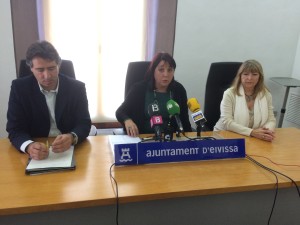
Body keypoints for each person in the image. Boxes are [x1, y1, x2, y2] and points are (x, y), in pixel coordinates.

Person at [6, 40, 91, 160]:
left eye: (51, 68)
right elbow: (14, 129)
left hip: (70, 149)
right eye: (40, 70)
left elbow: (84, 123)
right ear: (31, 68)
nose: (47, 76)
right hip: (37, 150)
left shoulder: (77, 88)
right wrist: (29, 146)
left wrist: (72, 137)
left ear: (59, 65)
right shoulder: (19, 89)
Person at [116, 52, 192, 137]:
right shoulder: (139, 89)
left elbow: (184, 121)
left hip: (171, 139)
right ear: (153, 71)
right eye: (161, 70)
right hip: (143, 137)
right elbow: (120, 112)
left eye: (170, 70)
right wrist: (127, 120)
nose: (166, 74)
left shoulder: (179, 90)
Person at [214, 59, 276, 141]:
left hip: (253, 137)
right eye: (246, 74)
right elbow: (227, 122)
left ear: (260, 77)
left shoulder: (266, 95)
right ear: (240, 76)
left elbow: (271, 119)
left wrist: (266, 132)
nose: (249, 78)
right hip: (225, 135)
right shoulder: (229, 94)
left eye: (254, 74)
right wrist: (252, 132)